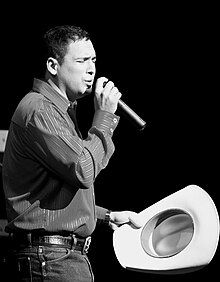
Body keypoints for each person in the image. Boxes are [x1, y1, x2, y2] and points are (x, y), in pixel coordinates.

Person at [1, 25, 143, 281]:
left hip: (57, 256)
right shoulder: (40, 110)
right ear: (54, 66)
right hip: (51, 260)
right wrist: (104, 118)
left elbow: (53, 197)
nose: (91, 69)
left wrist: (106, 216)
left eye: (94, 60)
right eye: (81, 60)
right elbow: (83, 171)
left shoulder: (62, 111)